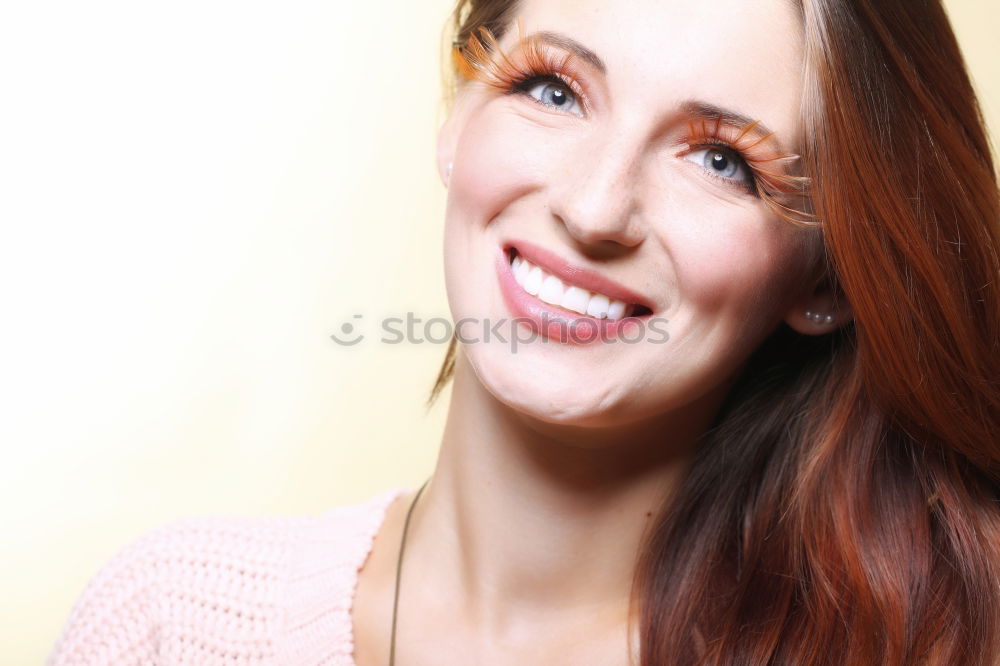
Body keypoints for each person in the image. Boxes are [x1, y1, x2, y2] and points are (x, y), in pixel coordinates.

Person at [49, 0, 1000, 664]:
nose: (594, 210)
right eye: (553, 91)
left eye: (721, 160)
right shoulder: (173, 621)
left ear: (826, 276)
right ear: (457, 115)